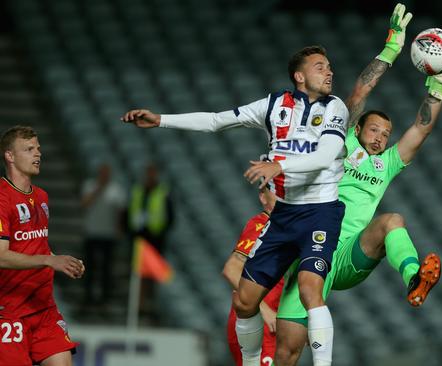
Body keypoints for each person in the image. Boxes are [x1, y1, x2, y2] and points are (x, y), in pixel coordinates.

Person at [121, 43, 349, 366]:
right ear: (299, 76)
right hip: (283, 215)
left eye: (329, 66)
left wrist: (278, 166)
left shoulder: (335, 107)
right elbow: (216, 120)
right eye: (320, 66)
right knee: (245, 302)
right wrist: (160, 120)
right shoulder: (273, 106)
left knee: (310, 289)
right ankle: (252, 361)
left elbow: (325, 156)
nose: (329, 71)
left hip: (320, 212)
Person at [273, 4, 442, 364]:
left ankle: (414, 278)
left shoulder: (386, 163)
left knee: (392, 220)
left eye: (385, 134)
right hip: (313, 247)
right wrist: (391, 48)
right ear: (357, 129)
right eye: (374, 129)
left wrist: (439, 84)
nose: (380, 137)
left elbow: (421, 129)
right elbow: (358, 95)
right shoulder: (339, 144)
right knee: (287, 352)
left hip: (348, 256)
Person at [0, 125, 85, 366]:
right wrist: (49, 260)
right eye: (28, 149)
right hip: (9, 312)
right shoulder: (1, 198)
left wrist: (62, 260)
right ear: (10, 156)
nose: (38, 154)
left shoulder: (42, 197)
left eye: (38, 148)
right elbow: (1, 256)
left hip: (43, 307)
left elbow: (35, 246)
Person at [222, 187, 282, 366]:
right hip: (260, 323)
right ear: (263, 197)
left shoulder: (285, 228)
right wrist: (265, 310)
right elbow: (231, 269)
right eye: (276, 190)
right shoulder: (262, 225)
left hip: (271, 324)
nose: (283, 194)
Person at [126, 162, 174, 322]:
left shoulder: (163, 192)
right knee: (138, 272)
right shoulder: (138, 191)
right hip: (139, 238)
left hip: (155, 239)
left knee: (152, 274)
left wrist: (160, 231)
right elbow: (129, 212)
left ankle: (149, 304)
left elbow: (170, 217)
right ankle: (138, 304)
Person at [80, 162, 127, 305]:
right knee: (89, 267)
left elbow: (121, 211)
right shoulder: (89, 186)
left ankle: (105, 298)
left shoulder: (116, 190)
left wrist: (119, 228)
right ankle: (88, 296)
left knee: (107, 268)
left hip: (109, 235)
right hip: (92, 233)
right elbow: (85, 203)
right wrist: (98, 188)